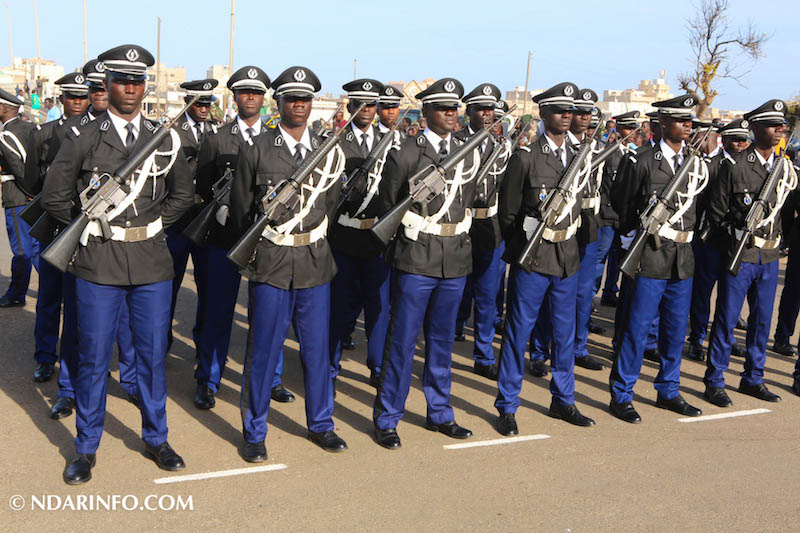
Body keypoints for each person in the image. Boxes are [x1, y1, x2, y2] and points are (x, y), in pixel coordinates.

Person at [41, 45, 193, 484]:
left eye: (138, 81)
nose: (130, 88)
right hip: (97, 263)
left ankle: (156, 438)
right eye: (122, 81)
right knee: (92, 358)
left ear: (145, 87)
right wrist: (89, 228)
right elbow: (54, 196)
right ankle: (86, 448)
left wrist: (150, 225)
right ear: (106, 85)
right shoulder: (83, 136)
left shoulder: (163, 138)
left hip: (149, 262)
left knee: (149, 357)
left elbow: (182, 193)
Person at [231, 66, 348, 461]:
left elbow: (329, 205)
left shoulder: (328, 150)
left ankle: (321, 424)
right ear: (277, 103)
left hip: (314, 261)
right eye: (292, 99)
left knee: (316, 352)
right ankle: (255, 430)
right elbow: (241, 209)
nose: (299, 105)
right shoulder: (257, 148)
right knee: (262, 350)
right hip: (272, 261)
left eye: (305, 99)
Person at [373, 77, 478, 449]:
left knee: (441, 342)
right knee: (402, 341)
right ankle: (388, 416)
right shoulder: (406, 153)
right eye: (444, 108)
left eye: (455, 109)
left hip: (455, 257)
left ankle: (440, 412)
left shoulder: (468, 149)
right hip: (417, 256)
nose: (452, 114)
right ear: (428, 111)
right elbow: (389, 204)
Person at [495, 82, 596, 437]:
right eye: (560, 111)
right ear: (544, 114)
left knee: (565, 334)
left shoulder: (580, 156)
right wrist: (521, 249)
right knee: (518, 331)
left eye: (571, 111)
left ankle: (563, 399)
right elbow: (507, 214)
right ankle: (507, 404)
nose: (567, 116)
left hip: (567, 256)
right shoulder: (525, 157)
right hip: (533, 257)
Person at [194, 66, 293, 410]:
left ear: (264, 99)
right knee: (217, 311)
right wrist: (220, 210)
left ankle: (273, 379)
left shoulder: (278, 140)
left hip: (268, 241)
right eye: (243, 92)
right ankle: (208, 378)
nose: (249, 98)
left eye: (255, 93)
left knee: (269, 317)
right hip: (224, 239)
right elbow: (203, 186)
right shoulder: (217, 139)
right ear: (234, 97)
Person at [608, 94, 707, 423]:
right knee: (636, 328)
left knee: (676, 330)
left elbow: (700, 210)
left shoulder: (695, 164)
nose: (688, 125)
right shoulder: (642, 160)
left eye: (689, 120)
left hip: (683, 256)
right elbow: (623, 204)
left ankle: (668, 389)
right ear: (663, 123)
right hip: (649, 253)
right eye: (681, 120)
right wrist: (630, 238)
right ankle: (622, 393)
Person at [703, 99, 797, 407]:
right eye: (772, 126)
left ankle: (753, 378)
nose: (779, 130)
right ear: (754, 129)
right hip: (741, 254)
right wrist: (736, 235)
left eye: (781, 125)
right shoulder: (735, 166)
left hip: (769, 258)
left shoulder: (784, 167)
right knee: (727, 319)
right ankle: (715, 380)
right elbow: (716, 215)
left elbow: (787, 211)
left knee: (761, 321)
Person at [528, 89, 607, 376]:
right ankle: (538, 351)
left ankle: (577, 347)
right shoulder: (544, 149)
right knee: (546, 296)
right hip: (551, 230)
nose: (584, 118)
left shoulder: (592, 147)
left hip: (584, 226)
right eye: (579, 113)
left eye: (587, 113)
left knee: (582, 293)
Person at [328, 78, 393, 389]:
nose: (366, 110)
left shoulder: (391, 140)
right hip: (342, 236)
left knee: (378, 309)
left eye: (371, 105)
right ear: (349, 106)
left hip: (377, 237)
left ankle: (378, 367)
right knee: (339, 307)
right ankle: (329, 366)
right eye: (359, 104)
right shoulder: (335, 141)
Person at [29, 71, 89, 392]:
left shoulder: (98, 132)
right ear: (62, 98)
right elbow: (31, 181)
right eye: (72, 96)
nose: (77, 102)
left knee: (82, 302)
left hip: (88, 228)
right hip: (54, 225)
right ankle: (44, 357)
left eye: (83, 96)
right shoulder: (44, 134)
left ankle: (83, 361)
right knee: (50, 297)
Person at [453, 83, 510, 381]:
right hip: (461, 225)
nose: (487, 115)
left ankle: (484, 354)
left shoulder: (504, 146)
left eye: (490, 109)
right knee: (457, 288)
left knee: (488, 295)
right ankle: (452, 331)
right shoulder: (456, 143)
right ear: (469, 112)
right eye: (480, 109)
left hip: (490, 225)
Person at [687, 119, 750, 361]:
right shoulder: (711, 165)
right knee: (702, 293)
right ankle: (697, 338)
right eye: (736, 140)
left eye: (745, 140)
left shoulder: (750, 167)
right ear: (725, 141)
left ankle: (727, 338)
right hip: (710, 239)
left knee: (731, 296)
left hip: (736, 242)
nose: (742, 144)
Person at [165, 78, 219, 359]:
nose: (204, 109)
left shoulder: (216, 131)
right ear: (188, 102)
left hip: (205, 217)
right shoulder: (171, 130)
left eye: (209, 104)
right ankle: (163, 344)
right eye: (199, 103)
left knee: (207, 286)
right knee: (169, 285)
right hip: (177, 219)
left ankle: (203, 344)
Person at [0, 89, 40, 309]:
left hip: (18, 196)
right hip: (35, 196)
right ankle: (57, 290)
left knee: (22, 250)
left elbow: (17, 168)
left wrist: (30, 192)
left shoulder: (7, 135)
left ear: (5, 108)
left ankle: (16, 293)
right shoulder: (31, 128)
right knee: (37, 248)